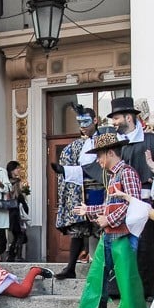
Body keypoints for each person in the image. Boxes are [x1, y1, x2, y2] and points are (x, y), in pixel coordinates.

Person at [72, 132, 148, 308]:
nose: (98, 160)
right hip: (110, 235)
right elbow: (110, 206)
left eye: (99, 155)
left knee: (128, 280)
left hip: (123, 235)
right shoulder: (115, 175)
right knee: (98, 281)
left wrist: (109, 220)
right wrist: (89, 210)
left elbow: (133, 203)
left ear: (110, 153)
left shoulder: (127, 174)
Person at [109, 96, 154, 301]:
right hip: (122, 204)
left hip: (148, 202)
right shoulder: (117, 145)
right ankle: (121, 289)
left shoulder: (153, 140)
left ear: (129, 117)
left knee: (147, 248)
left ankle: (149, 290)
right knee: (124, 246)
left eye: (116, 118)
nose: (114, 123)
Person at [52, 104, 102, 279]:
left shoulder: (103, 139)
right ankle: (71, 267)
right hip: (82, 191)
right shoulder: (80, 145)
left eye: (86, 121)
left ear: (95, 121)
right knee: (79, 229)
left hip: (99, 190)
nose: (82, 126)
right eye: (79, 122)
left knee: (99, 227)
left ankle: (100, 268)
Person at [4, 160, 29, 262]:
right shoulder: (12, 182)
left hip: (15, 210)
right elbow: (17, 197)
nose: (19, 170)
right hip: (14, 211)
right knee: (19, 233)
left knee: (18, 233)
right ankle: (14, 255)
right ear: (11, 170)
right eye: (17, 168)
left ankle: (13, 254)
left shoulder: (14, 181)